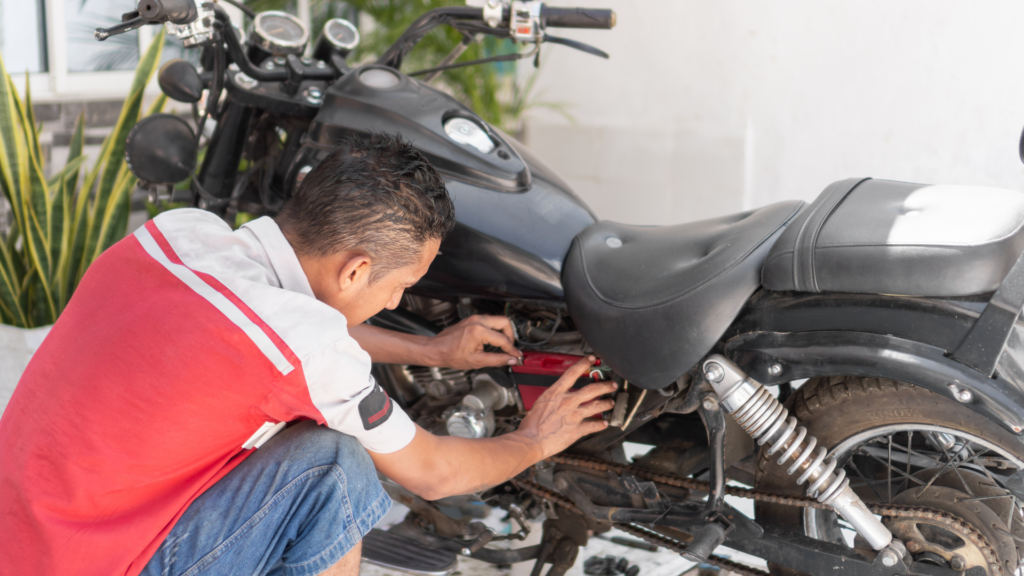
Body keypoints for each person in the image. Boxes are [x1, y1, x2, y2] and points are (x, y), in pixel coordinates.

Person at [0, 133, 616, 576]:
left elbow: (285, 337)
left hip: (22, 538)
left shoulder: (179, 233)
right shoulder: (303, 343)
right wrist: (537, 438)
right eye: (401, 285)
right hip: (101, 564)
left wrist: (429, 348)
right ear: (356, 270)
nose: (398, 298)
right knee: (332, 466)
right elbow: (435, 472)